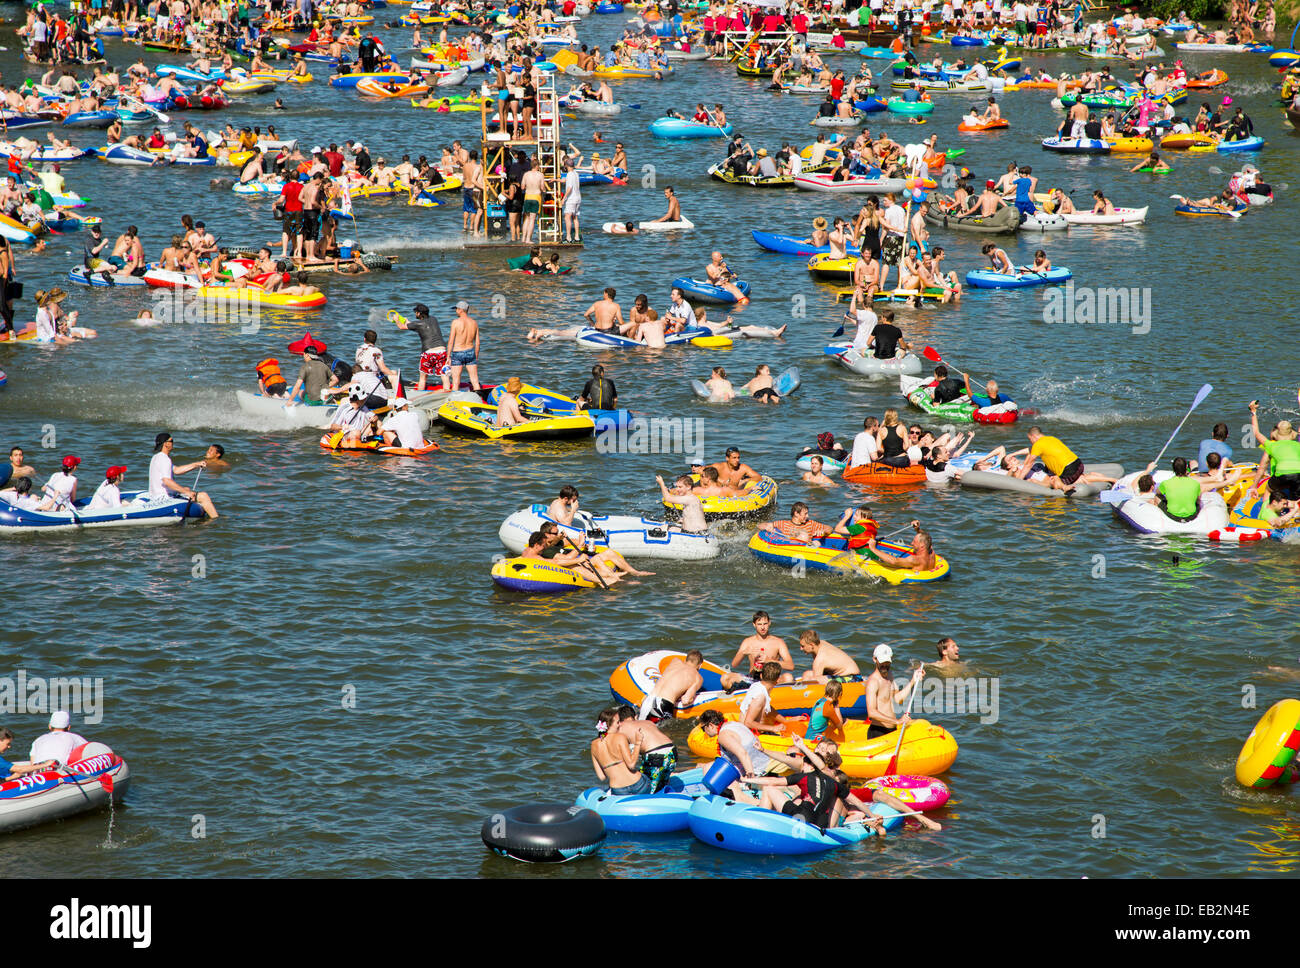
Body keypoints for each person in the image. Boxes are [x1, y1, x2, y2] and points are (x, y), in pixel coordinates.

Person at [1021, 426, 1115, 493]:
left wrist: (1019, 480)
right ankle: (1110, 479)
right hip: (1078, 464)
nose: (1031, 442)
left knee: (1054, 479)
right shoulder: (1051, 438)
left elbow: (1029, 463)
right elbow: (1034, 451)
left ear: (1033, 436)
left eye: (1030, 439)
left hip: (1068, 470)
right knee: (1078, 476)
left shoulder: (1038, 444)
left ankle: (1065, 487)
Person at [148, 432, 218, 518]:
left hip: (156, 496)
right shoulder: (165, 459)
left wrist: (196, 464)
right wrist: (186, 493)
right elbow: (167, 481)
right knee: (203, 496)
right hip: (163, 499)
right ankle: (216, 520)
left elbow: (177, 470)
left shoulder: (156, 457)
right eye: (171, 441)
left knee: (187, 488)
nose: (173, 443)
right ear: (166, 444)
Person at [865, 644, 924, 739]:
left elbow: (897, 699)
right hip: (878, 731)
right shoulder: (873, 681)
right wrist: (897, 721)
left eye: (887, 662)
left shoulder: (889, 675)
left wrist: (913, 680)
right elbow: (871, 712)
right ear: (874, 659)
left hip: (892, 730)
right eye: (882, 662)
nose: (885, 665)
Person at [614, 705, 676, 792]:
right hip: (672, 751)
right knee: (660, 786)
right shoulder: (647, 722)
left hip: (657, 756)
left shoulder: (621, 728)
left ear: (619, 720)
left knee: (646, 790)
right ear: (635, 717)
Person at [724, 610, 794, 687]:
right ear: (754, 625)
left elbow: (790, 666)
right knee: (725, 678)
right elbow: (734, 664)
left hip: (772, 680)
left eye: (765, 624)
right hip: (752, 679)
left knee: (788, 677)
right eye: (759, 624)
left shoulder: (778, 642)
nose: (763, 627)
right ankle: (738, 696)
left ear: (769, 623)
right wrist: (743, 653)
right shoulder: (748, 642)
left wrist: (769, 661)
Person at [590, 707, 650, 795]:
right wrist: (638, 742)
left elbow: (602, 777)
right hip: (638, 785)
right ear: (609, 724)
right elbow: (631, 765)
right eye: (618, 722)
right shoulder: (620, 737)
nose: (620, 725)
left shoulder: (593, 745)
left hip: (618, 790)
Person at [1248, 401, 1300, 500]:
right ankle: (1295, 511)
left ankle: (1265, 512)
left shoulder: (1271, 445)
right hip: (1299, 475)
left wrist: (1253, 412)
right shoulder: (1298, 445)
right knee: (1295, 498)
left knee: (1268, 490)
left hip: (1282, 476)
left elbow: (1256, 432)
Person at [394, 303, 448, 392]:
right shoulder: (434, 319)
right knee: (444, 375)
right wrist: (407, 321)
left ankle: (419, 395)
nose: (415, 314)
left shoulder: (418, 324)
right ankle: (447, 392)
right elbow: (418, 326)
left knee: (423, 378)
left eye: (416, 312)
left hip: (429, 353)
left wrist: (396, 320)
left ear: (419, 313)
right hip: (442, 351)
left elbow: (401, 326)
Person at [637, 650, 704, 721]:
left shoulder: (675, 661)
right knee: (656, 731)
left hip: (648, 699)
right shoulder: (698, 677)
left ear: (685, 660)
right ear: (700, 665)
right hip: (662, 705)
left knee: (639, 727)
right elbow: (685, 700)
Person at [446, 301, 481, 393]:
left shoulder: (455, 322)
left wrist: (448, 356)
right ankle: (479, 399)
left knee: (456, 382)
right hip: (470, 352)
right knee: (475, 381)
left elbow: (450, 342)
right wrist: (476, 356)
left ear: (461, 310)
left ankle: (454, 401)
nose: (456, 311)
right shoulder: (474, 323)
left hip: (458, 352)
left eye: (457, 309)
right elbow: (477, 343)